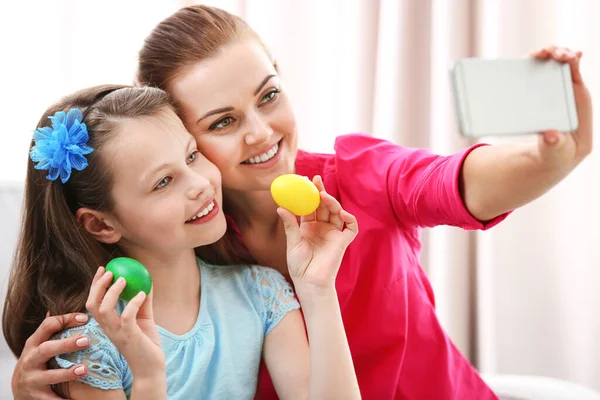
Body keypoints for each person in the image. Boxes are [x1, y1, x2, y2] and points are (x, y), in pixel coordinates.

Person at [10, 5, 593, 400]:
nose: (262, 133)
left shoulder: (352, 181)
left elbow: (450, 181)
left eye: (269, 96)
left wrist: (548, 157)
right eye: (222, 122)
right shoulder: (191, 243)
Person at [2, 84, 361, 399]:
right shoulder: (89, 345)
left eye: (192, 156)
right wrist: (148, 374)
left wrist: (317, 290)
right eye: (163, 182)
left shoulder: (261, 294)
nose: (200, 184)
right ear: (101, 224)